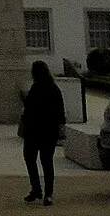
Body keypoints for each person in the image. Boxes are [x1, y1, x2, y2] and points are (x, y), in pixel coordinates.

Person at [18, 58, 68, 205]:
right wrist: (60, 128)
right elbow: (60, 111)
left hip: (34, 130)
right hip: (48, 131)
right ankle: (48, 193)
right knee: (47, 162)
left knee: (30, 159)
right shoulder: (53, 88)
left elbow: (29, 109)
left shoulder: (35, 88)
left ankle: (36, 188)